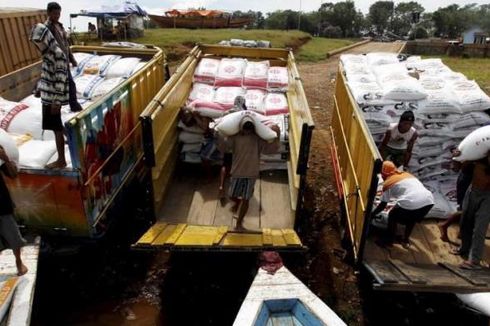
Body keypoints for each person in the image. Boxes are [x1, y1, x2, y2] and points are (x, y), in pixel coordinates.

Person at [221, 117, 280, 231]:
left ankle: (239, 223)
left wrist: (276, 136)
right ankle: (238, 205)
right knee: (232, 195)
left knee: (246, 199)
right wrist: (220, 135)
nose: (247, 130)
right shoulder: (235, 138)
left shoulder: (257, 139)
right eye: (246, 127)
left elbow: (270, 150)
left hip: (251, 173)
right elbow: (224, 146)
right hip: (237, 172)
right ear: (241, 127)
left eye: (250, 127)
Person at [372, 161, 434, 248]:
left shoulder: (388, 183)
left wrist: (372, 215)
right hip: (429, 200)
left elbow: (383, 205)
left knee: (393, 215)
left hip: (412, 201)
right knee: (412, 220)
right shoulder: (406, 174)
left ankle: (389, 240)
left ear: (383, 174)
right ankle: (405, 240)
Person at [453, 150, 490, 270]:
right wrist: (459, 157)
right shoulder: (478, 158)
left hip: (488, 197)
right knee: (465, 221)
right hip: (473, 191)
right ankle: (464, 248)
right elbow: (458, 168)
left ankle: (474, 261)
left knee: (480, 227)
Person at [0, 146, 28, 276]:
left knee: (14, 237)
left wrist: (5, 158)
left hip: (2, 204)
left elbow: (13, 175)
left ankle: (18, 261)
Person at [437, 154, 475, 242]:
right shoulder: (477, 148)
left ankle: (462, 232)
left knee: (468, 209)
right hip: (468, 180)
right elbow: (458, 162)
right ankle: (445, 225)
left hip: (469, 178)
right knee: (466, 208)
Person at [218, 96, 247, 199]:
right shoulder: (244, 114)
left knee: (225, 164)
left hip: (227, 141)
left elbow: (220, 125)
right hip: (238, 144)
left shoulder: (227, 112)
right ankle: (234, 189)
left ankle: (221, 186)